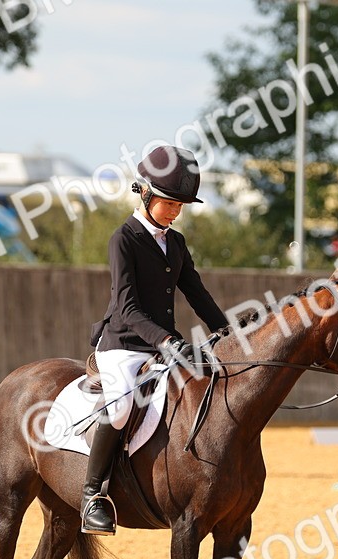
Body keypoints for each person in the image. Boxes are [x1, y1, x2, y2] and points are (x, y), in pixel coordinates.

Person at [82, 145, 230, 535]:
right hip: (123, 344)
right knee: (120, 407)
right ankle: (92, 494)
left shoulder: (176, 243)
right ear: (145, 193)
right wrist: (166, 341)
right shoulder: (124, 239)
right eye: (169, 202)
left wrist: (227, 331)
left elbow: (197, 294)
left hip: (164, 345)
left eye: (181, 205)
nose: (175, 211)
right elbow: (126, 306)